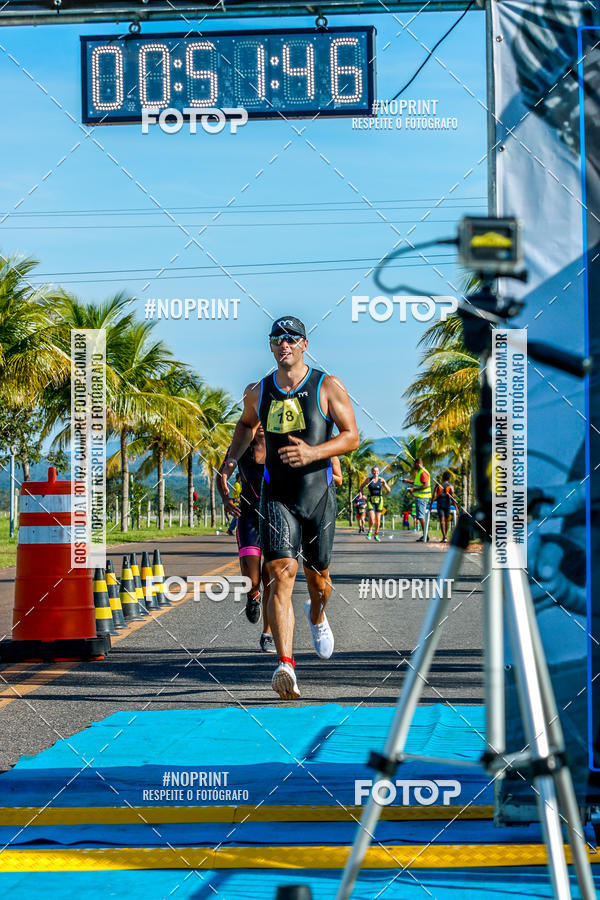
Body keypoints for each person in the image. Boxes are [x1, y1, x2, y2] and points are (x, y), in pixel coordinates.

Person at [223, 316, 359, 700]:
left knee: (320, 580)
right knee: (281, 572)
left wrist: (315, 452)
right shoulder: (258, 391)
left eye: (291, 338)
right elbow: (246, 426)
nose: (284, 344)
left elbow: (352, 437)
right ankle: (286, 665)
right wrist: (230, 461)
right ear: (270, 346)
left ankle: (317, 614)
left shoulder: (327, 386)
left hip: (318, 496)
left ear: (304, 343)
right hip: (277, 496)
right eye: (277, 339)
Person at [217, 425, 275, 652]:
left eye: (265, 419)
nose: (261, 425)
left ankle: (268, 633)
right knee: (252, 579)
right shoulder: (239, 448)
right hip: (248, 517)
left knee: (271, 579)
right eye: (256, 420)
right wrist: (225, 499)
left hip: (275, 518)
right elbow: (222, 475)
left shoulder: (279, 446)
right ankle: (253, 596)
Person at [402, 458, 431, 542]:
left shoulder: (423, 472)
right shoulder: (421, 472)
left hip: (422, 497)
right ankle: (425, 535)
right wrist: (407, 481)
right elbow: (417, 482)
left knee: (421, 516)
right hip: (420, 497)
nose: (414, 466)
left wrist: (413, 490)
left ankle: (426, 536)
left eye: (414, 464)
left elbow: (425, 485)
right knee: (420, 516)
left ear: (418, 464)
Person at [359, 466, 391, 542]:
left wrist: (385, 484)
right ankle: (370, 531)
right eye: (374, 471)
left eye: (377, 471)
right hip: (370, 500)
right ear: (372, 472)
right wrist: (362, 494)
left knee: (378, 519)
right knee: (372, 518)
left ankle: (376, 534)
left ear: (379, 472)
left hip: (379, 500)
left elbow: (389, 490)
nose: (375, 473)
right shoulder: (368, 480)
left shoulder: (381, 480)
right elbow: (361, 487)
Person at [431, 471, 455, 543]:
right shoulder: (450, 486)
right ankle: (444, 536)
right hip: (447, 505)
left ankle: (444, 536)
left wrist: (431, 505)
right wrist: (456, 506)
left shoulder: (438, 485)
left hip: (440, 505)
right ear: (449, 478)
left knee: (443, 521)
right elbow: (452, 497)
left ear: (442, 477)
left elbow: (434, 496)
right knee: (445, 521)